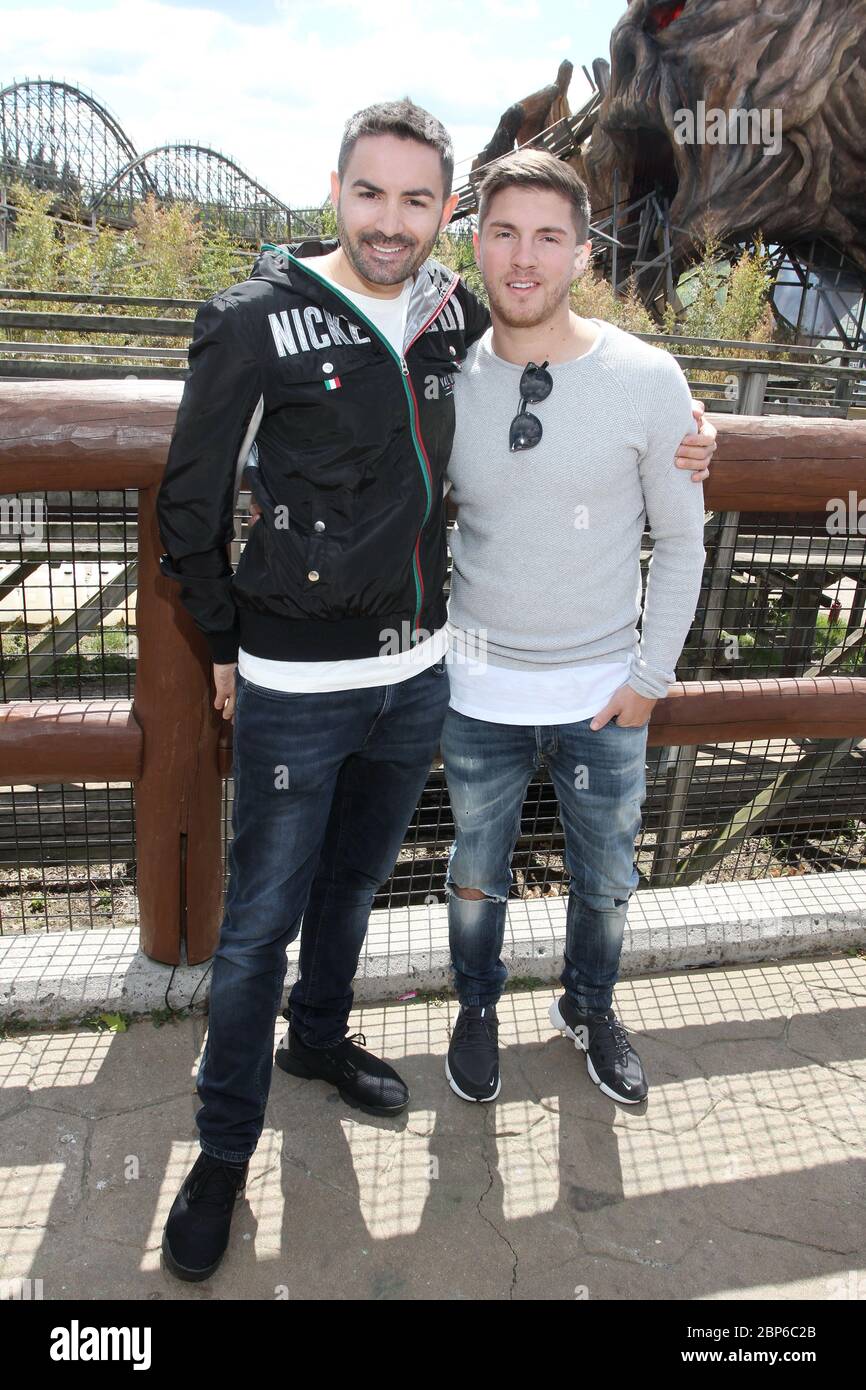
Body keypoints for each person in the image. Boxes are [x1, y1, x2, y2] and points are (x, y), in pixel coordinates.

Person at [156, 100, 716, 1281]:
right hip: (296, 682)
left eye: (418, 200)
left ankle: (316, 1042)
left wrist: (685, 420)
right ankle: (218, 1153)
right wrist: (220, 644)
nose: (391, 220)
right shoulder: (254, 322)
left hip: (415, 675)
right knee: (256, 921)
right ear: (335, 190)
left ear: (441, 214)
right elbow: (187, 512)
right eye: (371, 193)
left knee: (356, 884)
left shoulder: (446, 318)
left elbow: (568, 366)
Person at [440, 149, 708, 1109]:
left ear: (583, 254)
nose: (524, 257)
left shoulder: (647, 378)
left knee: (605, 880)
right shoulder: (444, 378)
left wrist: (649, 680)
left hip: (605, 695)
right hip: (475, 690)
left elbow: (681, 542)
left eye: (548, 236)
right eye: (504, 232)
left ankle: (591, 1006)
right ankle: (477, 1007)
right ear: (476, 244)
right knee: (475, 875)